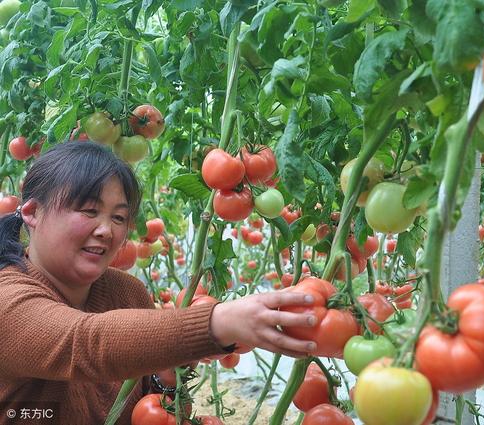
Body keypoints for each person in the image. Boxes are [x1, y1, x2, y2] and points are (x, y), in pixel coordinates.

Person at [0, 141, 318, 424]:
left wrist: (168, 376)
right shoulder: (7, 299)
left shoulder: (128, 292)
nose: (105, 230)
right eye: (89, 210)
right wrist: (216, 322)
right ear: (32, 212)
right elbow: (86, 344)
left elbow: (150, 402)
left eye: (119, 217)